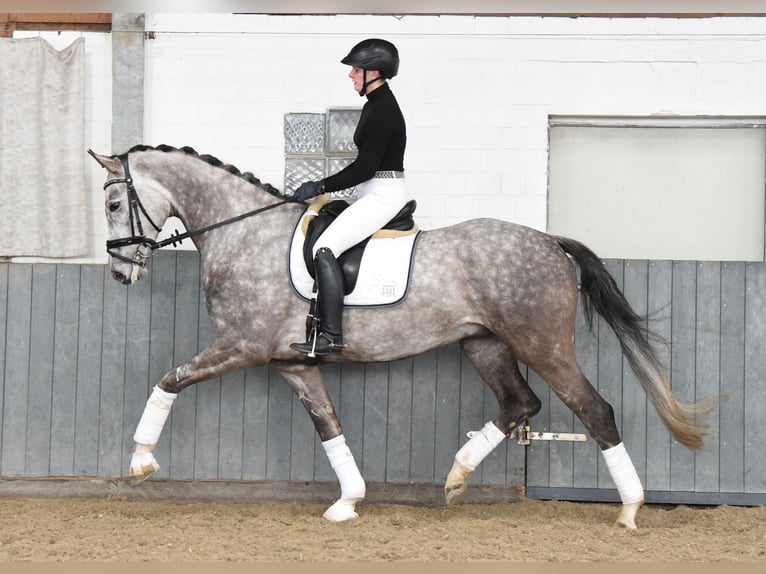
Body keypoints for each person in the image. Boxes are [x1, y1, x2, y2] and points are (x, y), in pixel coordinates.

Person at [290, 38, 408, 356]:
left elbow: (366, 167)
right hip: (373, 191)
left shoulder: (384, 109)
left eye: (356, 69)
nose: (351, 75)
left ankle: (331, 337)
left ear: (374, 72)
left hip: (384, 193)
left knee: (324, 247)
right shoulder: (374, 104)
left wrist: (319, 186)